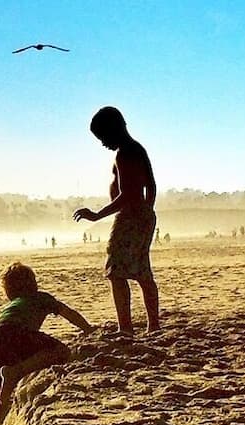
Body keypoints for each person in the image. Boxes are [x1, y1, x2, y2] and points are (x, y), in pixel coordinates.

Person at [0, 263, 93, 425]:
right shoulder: (41, 298)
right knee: (61, 351)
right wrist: (88, 329)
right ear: (33, 283)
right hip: (13, 330)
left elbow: (0, 330)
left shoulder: (13, 304)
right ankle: (15, 371)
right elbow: (68, 313)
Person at [73, 106, 160, 335]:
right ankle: (153, 325)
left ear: (114, 129)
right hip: (142, 215)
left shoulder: (125, 153)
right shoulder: (138, 149)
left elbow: (128, 194)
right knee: (143, 272)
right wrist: (147, 211)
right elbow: (151, 185)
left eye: (103, 137)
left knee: (116, 272)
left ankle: (126, 327)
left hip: (130, 216)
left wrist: (97, 215)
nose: (102, 144)